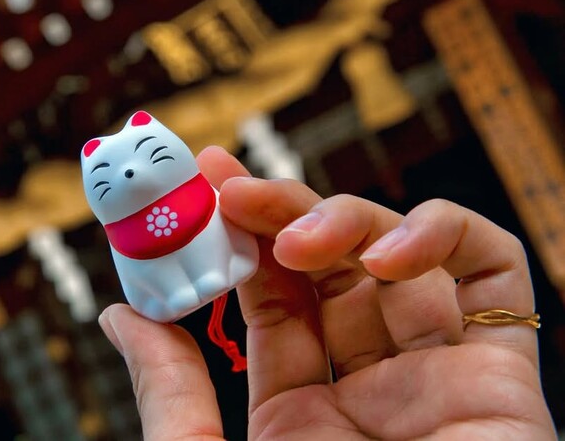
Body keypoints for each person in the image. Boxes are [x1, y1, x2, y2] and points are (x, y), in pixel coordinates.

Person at [98, 146, 556, 439]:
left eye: (144, 153)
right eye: (106, 173)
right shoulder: (123, 233)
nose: (133, 172)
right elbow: (139, 276)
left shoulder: (199, 194)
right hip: (160, 273)